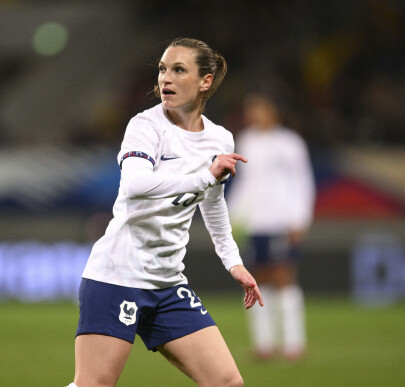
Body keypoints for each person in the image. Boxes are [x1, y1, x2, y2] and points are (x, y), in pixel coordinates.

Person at [67, 38, 263, 387]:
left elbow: (213, 202)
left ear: (205, 81)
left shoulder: (220, 139)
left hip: (167, 283)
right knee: (93, 385)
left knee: (227, 382)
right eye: (162, 70)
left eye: (178, 69)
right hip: (117, 277)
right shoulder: (146, 126)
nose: (165, 79)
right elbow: (136, 185)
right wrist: (205, 175)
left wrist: (233, 261)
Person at [227, 93, 316, 361]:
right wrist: (232, 217)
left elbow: (303, 181)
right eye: (251, 110)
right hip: (255, 222)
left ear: (273, 112)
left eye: (260, 109)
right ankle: (264, 345)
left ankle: (293, 344)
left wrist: (300, 218)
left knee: (283, 277)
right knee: (257, 280)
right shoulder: (246, 141)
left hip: (281, 220)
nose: (254, 115)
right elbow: (243, 184)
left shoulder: (290, 143)